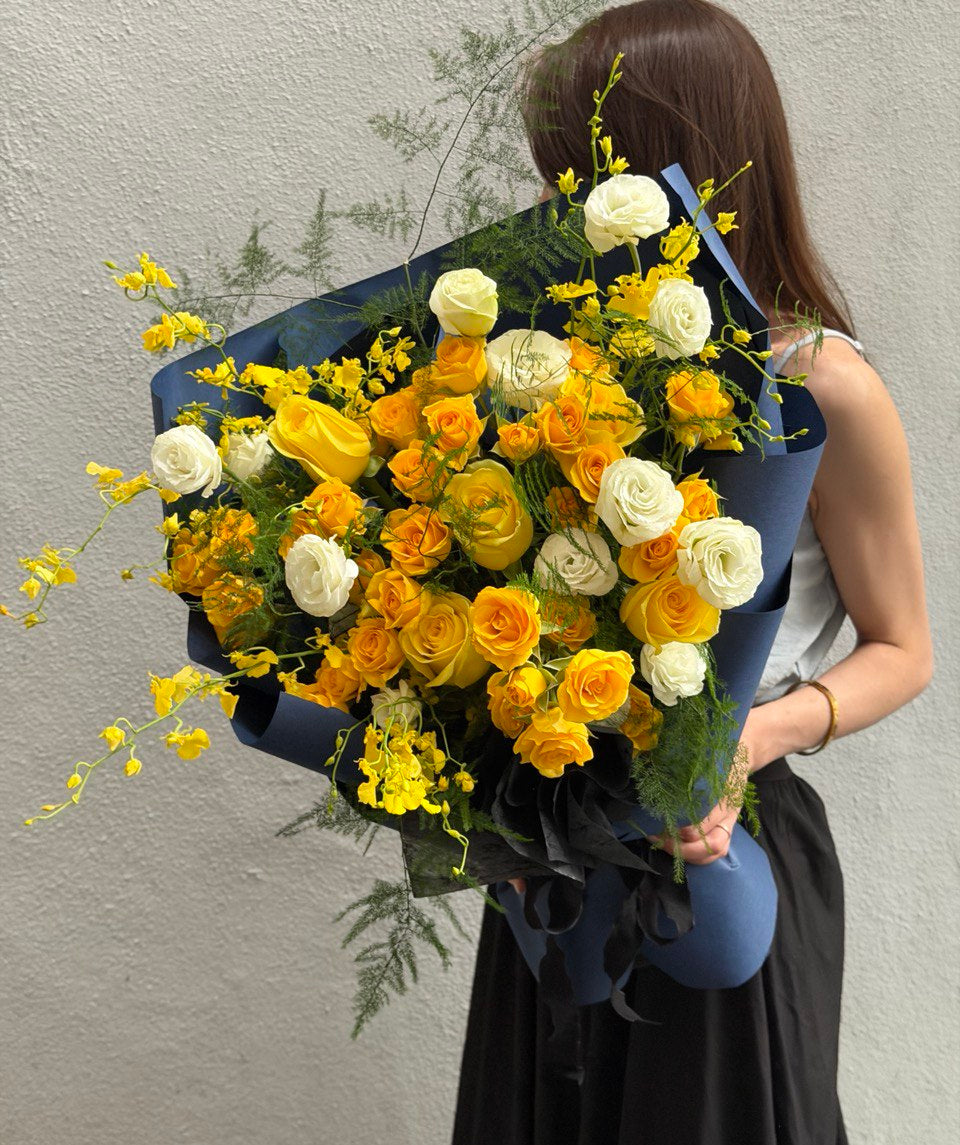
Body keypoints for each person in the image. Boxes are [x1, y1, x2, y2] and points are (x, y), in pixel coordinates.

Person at [450, 2, 933, 1143]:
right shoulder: (540, 365)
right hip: (559, 839)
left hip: (732, 850)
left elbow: (905, 650)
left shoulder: (824, 383)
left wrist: (739, 746)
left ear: (690, 162)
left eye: (583, 172)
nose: (563, 207)